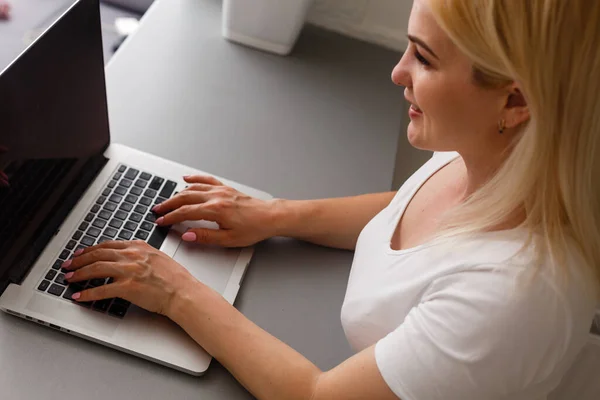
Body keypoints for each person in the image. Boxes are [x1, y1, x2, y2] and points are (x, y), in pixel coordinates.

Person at [60, 0, 600, 398]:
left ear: (516, 100)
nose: (397, 72)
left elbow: (317, 396)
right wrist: (276, 215)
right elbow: (409, 205)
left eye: (425, 59)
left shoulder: (511, 299)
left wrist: (177, 291)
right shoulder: (497, 156)